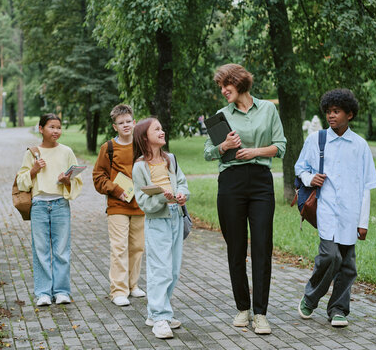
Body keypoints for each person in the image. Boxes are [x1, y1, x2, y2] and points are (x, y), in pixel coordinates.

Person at [204, 63, 287, 335]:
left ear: (239, 82)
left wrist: (254, 152)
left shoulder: (268, 109)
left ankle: (261, 313)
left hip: (261, 182)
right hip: (230, 184)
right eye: (220, 87)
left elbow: (281, 146)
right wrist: (223, 146)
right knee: (236, 249)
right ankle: (243, 308)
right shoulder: (220, 115)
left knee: (262, 246)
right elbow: (208, 153)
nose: (222, 91)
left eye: (225, 85)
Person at [295, 88, 376, 327]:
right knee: (330, 255)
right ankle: (311, 298)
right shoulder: (316, 140)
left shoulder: (360, 146)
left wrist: (363, 222)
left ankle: (339, 309)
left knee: (348, 265)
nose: (331, 116)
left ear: (349, 114)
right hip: (326, 210)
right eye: (329, 112)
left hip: (351, 215)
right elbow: (300, 168)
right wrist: (311, 179)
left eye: (337, 111)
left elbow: (366, 187)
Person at [16, 113, 83, 306]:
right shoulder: (32, 153)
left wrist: (66, 180)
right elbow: (21, 181)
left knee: (62, 250)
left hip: (60, 204)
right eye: (51, 127)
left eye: (58, 127)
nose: (56, 131)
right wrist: (34, 170)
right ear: (41, 129)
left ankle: (62, 291)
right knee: (41, 249)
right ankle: (43, 292)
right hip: (38, 205)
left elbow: (77, 178)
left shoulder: (67, 151)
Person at [132, 117, 190, 339]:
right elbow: (143, 202)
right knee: (160, 270)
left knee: (173, 270)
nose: (162, 131)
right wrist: (162, 200)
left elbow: (182, 182)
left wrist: (182, 195)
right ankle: (160, 317)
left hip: (176, 217)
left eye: (161, 127)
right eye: (157, 129)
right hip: (157, 221)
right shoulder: (139, 167)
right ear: (145, 137)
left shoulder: (171, 160)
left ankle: (156, 311)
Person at [92, 104, 146, 307]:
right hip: (117, 205)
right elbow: (98, 176)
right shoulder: (109, 148)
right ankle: (118, 291)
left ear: (134, 122)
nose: (125, 125)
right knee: (119, 247)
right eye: (120, 123)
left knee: (137, 247)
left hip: (140, 205)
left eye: (128, 122)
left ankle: (133, 285)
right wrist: (115, 189)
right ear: (115, 126)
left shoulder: (143, 144)